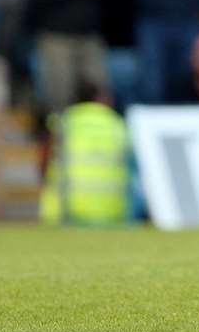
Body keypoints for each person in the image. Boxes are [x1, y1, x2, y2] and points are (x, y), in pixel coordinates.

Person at [38, 81, 130, 226]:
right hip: (109, 214)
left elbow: (43, 162)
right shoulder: (118, 125)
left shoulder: (62, 123)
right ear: (100, 98)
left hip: (63, 214)